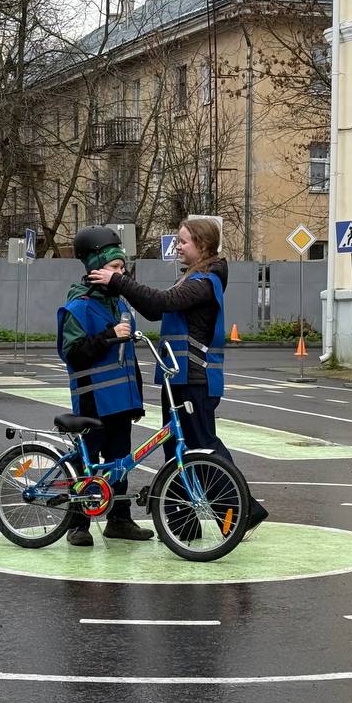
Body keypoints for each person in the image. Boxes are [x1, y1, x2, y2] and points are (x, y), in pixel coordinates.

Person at [88, 218, 268, 530]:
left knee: (201, 446)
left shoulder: (205, 282)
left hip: (195, 378)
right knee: (176, 449)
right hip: (178, 378)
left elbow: (164, 301)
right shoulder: (192, 277)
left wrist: (118, 281)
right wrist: (123, 279)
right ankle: (183, 523)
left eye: (183, 241)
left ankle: (241, 510)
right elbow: (156, 310)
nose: (178, 247)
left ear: (203, 245)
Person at [57, 226, 153, 545]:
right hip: (93, 400)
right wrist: (108, 336)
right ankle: (78, 524)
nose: (120, 272)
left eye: (123, 267)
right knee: (88, 462)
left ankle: (119, 520)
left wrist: (135, 399)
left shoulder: (121, 305)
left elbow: (128, 359)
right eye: (114, 267)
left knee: (120, 462)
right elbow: (73, 354)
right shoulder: (79, 307)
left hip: (120, 402)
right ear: (95, 268)